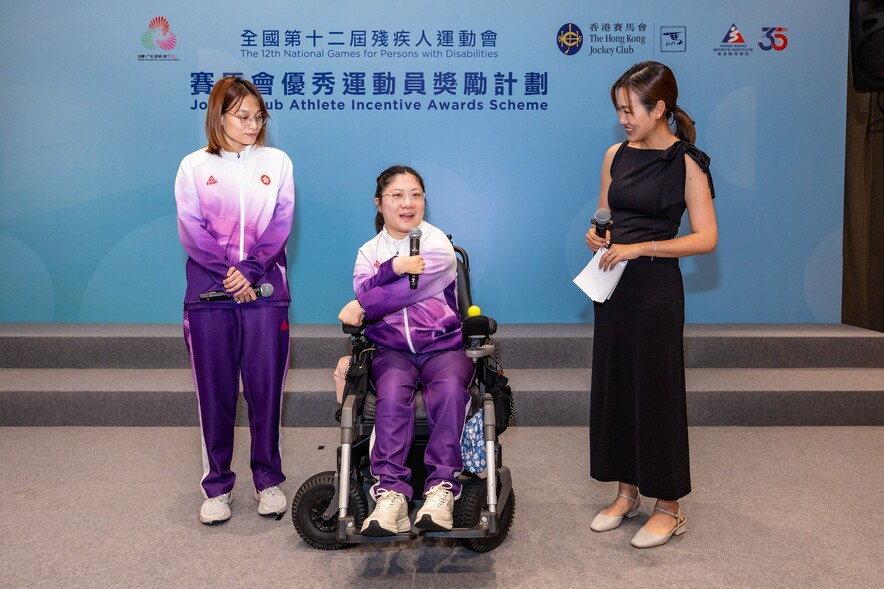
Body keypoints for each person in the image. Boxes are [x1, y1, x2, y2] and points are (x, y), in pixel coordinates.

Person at [584, 62, 717, 548]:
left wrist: (642, 248)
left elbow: (707, 239)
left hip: (656, 292)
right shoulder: (614, 154)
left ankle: (669, 506)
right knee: (617, 385)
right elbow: (607, 215)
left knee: (656, 393)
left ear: (659, 108)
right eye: (618, 109)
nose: (622, 118)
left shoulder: (687, 163)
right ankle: (626, 492)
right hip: (613, 285)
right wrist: (601, 237)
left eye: (629, 109)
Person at [174, 76, 295, 525]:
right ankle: (217, 486)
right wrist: (230, 276)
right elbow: (191, 229)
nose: (253, 123)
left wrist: (249, 272)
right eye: (242, 116)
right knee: (215, 395)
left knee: (266, 393)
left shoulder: (278, 162)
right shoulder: (193, 166)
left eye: (258, 116)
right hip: (208, 298)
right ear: (218, 115)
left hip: (265, 295)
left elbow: (280, 224)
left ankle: (268, 481)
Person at [338, 165, 473, 536]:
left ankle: (441, 489)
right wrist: (393, 266)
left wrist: (365, 306)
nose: (408, 203)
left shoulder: (438, 245)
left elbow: (398, 294)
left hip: (443, 346)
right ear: (379, 203)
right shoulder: (368, 251)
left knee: (448, 390)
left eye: (415, 194)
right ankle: (391, 496)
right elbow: (366, 290)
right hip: (392, 350)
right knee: (392, 393)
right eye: (397, 195)